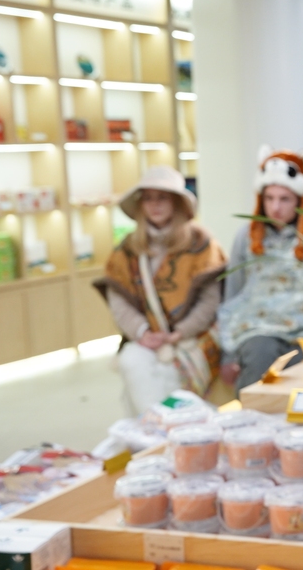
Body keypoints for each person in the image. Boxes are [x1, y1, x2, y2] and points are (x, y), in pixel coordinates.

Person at [94, 166, 226, 415]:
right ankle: (155, 431)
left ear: (176, 202)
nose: (155, 205)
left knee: (174, 376)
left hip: (194, 337)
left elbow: (210, 300)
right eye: (149, 198)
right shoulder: (128, 248)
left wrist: (180, 332)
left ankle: (182, 433)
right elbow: (119, 299)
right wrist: (142, 332)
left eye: (162, 197)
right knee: (132, 361)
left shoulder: (202, 244)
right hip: (147, 337)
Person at [217, 147, 303, 393]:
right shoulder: (245, 236)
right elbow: (233, 293)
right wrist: (227, 355)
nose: (276, 207)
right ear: (260, 199)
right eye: (269, 198)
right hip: (257, 327)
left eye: (284, 199)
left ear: (299, 200)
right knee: (259, 357)